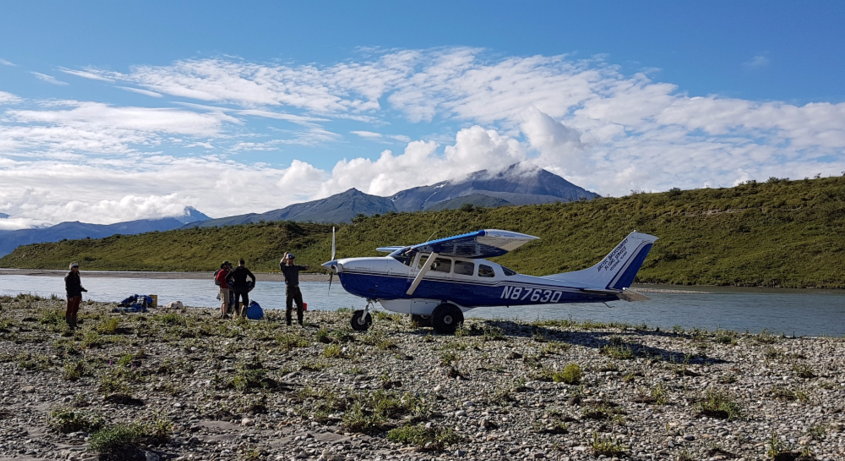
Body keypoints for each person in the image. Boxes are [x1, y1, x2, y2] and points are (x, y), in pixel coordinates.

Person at [280, 252, 309, 326]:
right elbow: (281, 263)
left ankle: (300, 322)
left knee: (300, 305)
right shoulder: (285, 268)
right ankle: (288, 323)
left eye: (292, 259)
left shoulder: (296, 267)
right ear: (287, 260)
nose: (291, 260)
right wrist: (284, 256)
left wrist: (306, 267)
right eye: (290, 259)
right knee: (289, 306)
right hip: (289, 288)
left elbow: (303, 268)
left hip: (296, 288)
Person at [64, 262, 87, 329]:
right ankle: (69, 324)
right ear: (71, 268)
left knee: (75, 309)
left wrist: (82, 289)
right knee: (69, 309)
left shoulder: (77, 275)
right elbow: (68, 287)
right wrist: (70, 296)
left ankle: (74, 324)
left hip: (78, 294)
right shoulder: (68, 276)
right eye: (75, 267)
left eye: (77, 267)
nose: (76, 268)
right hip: (72, 295)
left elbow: (78, 285)